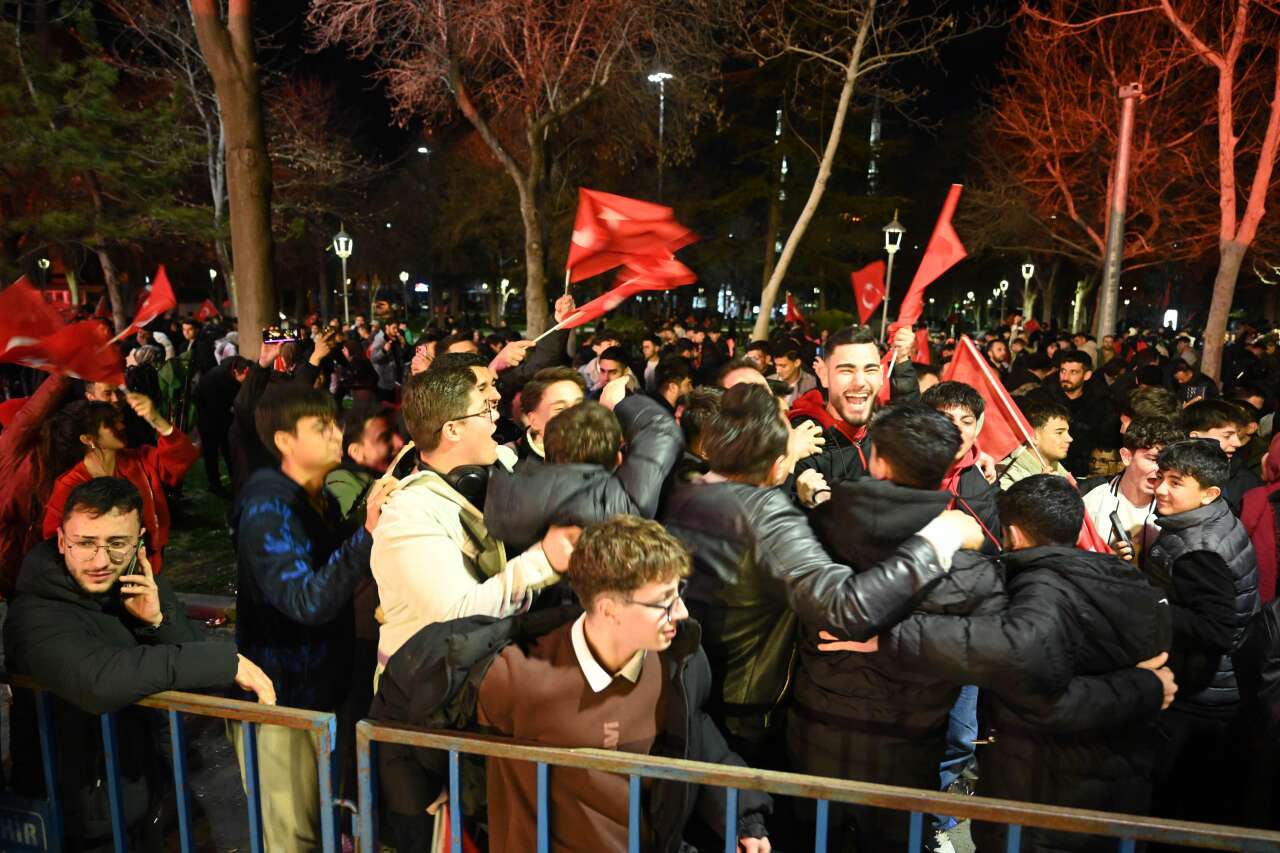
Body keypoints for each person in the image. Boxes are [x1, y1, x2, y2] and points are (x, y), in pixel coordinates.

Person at [370, 516, 773, 852]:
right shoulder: (515, 674)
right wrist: (418, 795)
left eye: (678, 593)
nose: (680, 611)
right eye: (664, 600)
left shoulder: (679, 662)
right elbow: (399, 697)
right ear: (609, 609)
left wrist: (743, 817)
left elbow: (698, 737)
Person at [662, 384, 984, 762]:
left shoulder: (688, 492)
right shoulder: (766, 512)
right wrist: (937, 540)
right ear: (780, 463)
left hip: (692, 681)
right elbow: (847, 605)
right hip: (748, 705)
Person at [871, 475, 1175, 853]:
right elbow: (1161, 673)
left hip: (1044, 801)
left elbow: (1040, 692)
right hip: (1116, 798)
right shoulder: (1133, 582)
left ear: (1012, 534)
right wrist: (1143, 687)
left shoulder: (1040, 591)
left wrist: (885, 636)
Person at [6, 477, 274, 851]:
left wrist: (159, 623)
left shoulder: (138, 583)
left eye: (117, 544)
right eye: (85, 544)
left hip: (149, 792)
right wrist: (224, 660)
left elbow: (196, 680)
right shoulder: (35, 612)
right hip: (77, 817)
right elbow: (98, 681)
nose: (101, 560)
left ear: (139, 540)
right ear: (63, 539)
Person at [795, 404, 1004, 851]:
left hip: (815, 739)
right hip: (908, 750)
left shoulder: (814, 530)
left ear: (876, 459)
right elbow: (996, 651)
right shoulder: (969, 564)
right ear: (948, 467)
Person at [229, 383, 398, 853]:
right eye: (320, 427)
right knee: (294, 837)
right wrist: (365, 535)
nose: (334, 434)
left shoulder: (310, 496)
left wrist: (365, 520)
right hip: (280, 701)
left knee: (317, 826)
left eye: (334, 423)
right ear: (284, 440)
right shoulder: (268, 506)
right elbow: (306, 599)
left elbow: (324, 566)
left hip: (316, 694)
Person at [370, 366, 580, 688]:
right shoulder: (408, 515)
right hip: (425, 697)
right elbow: (457, 620)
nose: (494, 418)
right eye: (484, 410)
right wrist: (543, 561)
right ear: (452, 429)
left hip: (482, 677)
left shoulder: (499, 468)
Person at [1145, 438, 1261, 831]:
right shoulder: (1211, 520)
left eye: (1176, 483)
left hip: (1199, 694)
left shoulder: (1200, 548)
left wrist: (1152, 603)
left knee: (1179, 808)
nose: (1161, 489)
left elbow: (1214, 629)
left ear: (1209, 492)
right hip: (1217, 687)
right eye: (1161, 477)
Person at [484, 379, 683, 552]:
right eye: (561, 408)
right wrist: (620, 404)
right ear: (618, 460)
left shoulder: (502, 498)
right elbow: (661, 430)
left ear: (548, 453)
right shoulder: (619, 504)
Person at [43, 393, 199, 575]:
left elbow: (184, 458)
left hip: (147, 568)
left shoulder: (140, 460)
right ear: (88, 439)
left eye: (119, 420)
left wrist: (156, 419)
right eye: (110, 424)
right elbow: (55, 539)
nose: (121, 426)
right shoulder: (71, 485)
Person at [791, 324, 917, 484]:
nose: (859, 382)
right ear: (823, 375)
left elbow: (910, 422)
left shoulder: (883, 432)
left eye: (870, 370)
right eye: (846, 370)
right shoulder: (803, 441)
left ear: (880, 376)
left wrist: (903, 360)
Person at [0, 371, 71, 598]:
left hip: (28, 554)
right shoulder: (11, 445)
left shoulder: (44, 456)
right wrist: (64, 373)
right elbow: (35, 410)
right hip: (14, 553)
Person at [1081, 417, 1184, 563]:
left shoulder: (1179, 506)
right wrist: (1109, 559)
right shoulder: (1089, 494)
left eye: (1167, 461)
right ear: (1126, 456)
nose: (1160, 469)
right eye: (1153, 459)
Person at [922, 381, 1002, 551]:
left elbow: (991, 553)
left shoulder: (984, 482)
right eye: (946, 419)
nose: (957, 429)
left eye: (967, 422)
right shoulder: (899, 469)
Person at [1184, 398, 1263, 514]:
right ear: (1195, 437)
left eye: (1237, 435)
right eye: (1227, 436)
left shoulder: (1246, 481)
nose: (1237, 443)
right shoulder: (1165, 473)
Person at [1050, 350, 1119, 478]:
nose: (1065, 377)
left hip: (1085, 474)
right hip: (1050, 467)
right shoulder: (1047, 398)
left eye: (1073, 372)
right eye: (1063, 371)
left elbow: (1107, 442)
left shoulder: (1101, 404)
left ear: (1087, 375)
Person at [194, 355, 253, 497]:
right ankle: (215, 484)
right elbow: (214, 405)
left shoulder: (231, 373)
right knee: (212, 452)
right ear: (239, 372)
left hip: (223, 417)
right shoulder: (217, 379)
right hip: (210, 418)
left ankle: (236, 481)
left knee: (230, 451)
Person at [507, 366, 586, 471]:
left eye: (579, 405)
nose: (576, 415)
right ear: (534, 420)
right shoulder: (510, 461)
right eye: (560, 409)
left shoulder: (598, 453)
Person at [998, 399, 1073, 488]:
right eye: (1059, 433)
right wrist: (1040, 489)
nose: (1070, 439)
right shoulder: (1004, 473)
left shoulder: (1063, 475)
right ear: (1033, 436)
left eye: (1067, 432)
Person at [769, 341, 818, 406]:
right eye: (776, 365)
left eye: (783, 366)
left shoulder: (811, 383)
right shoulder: (768, 381)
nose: (778, 371)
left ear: (797, 363)